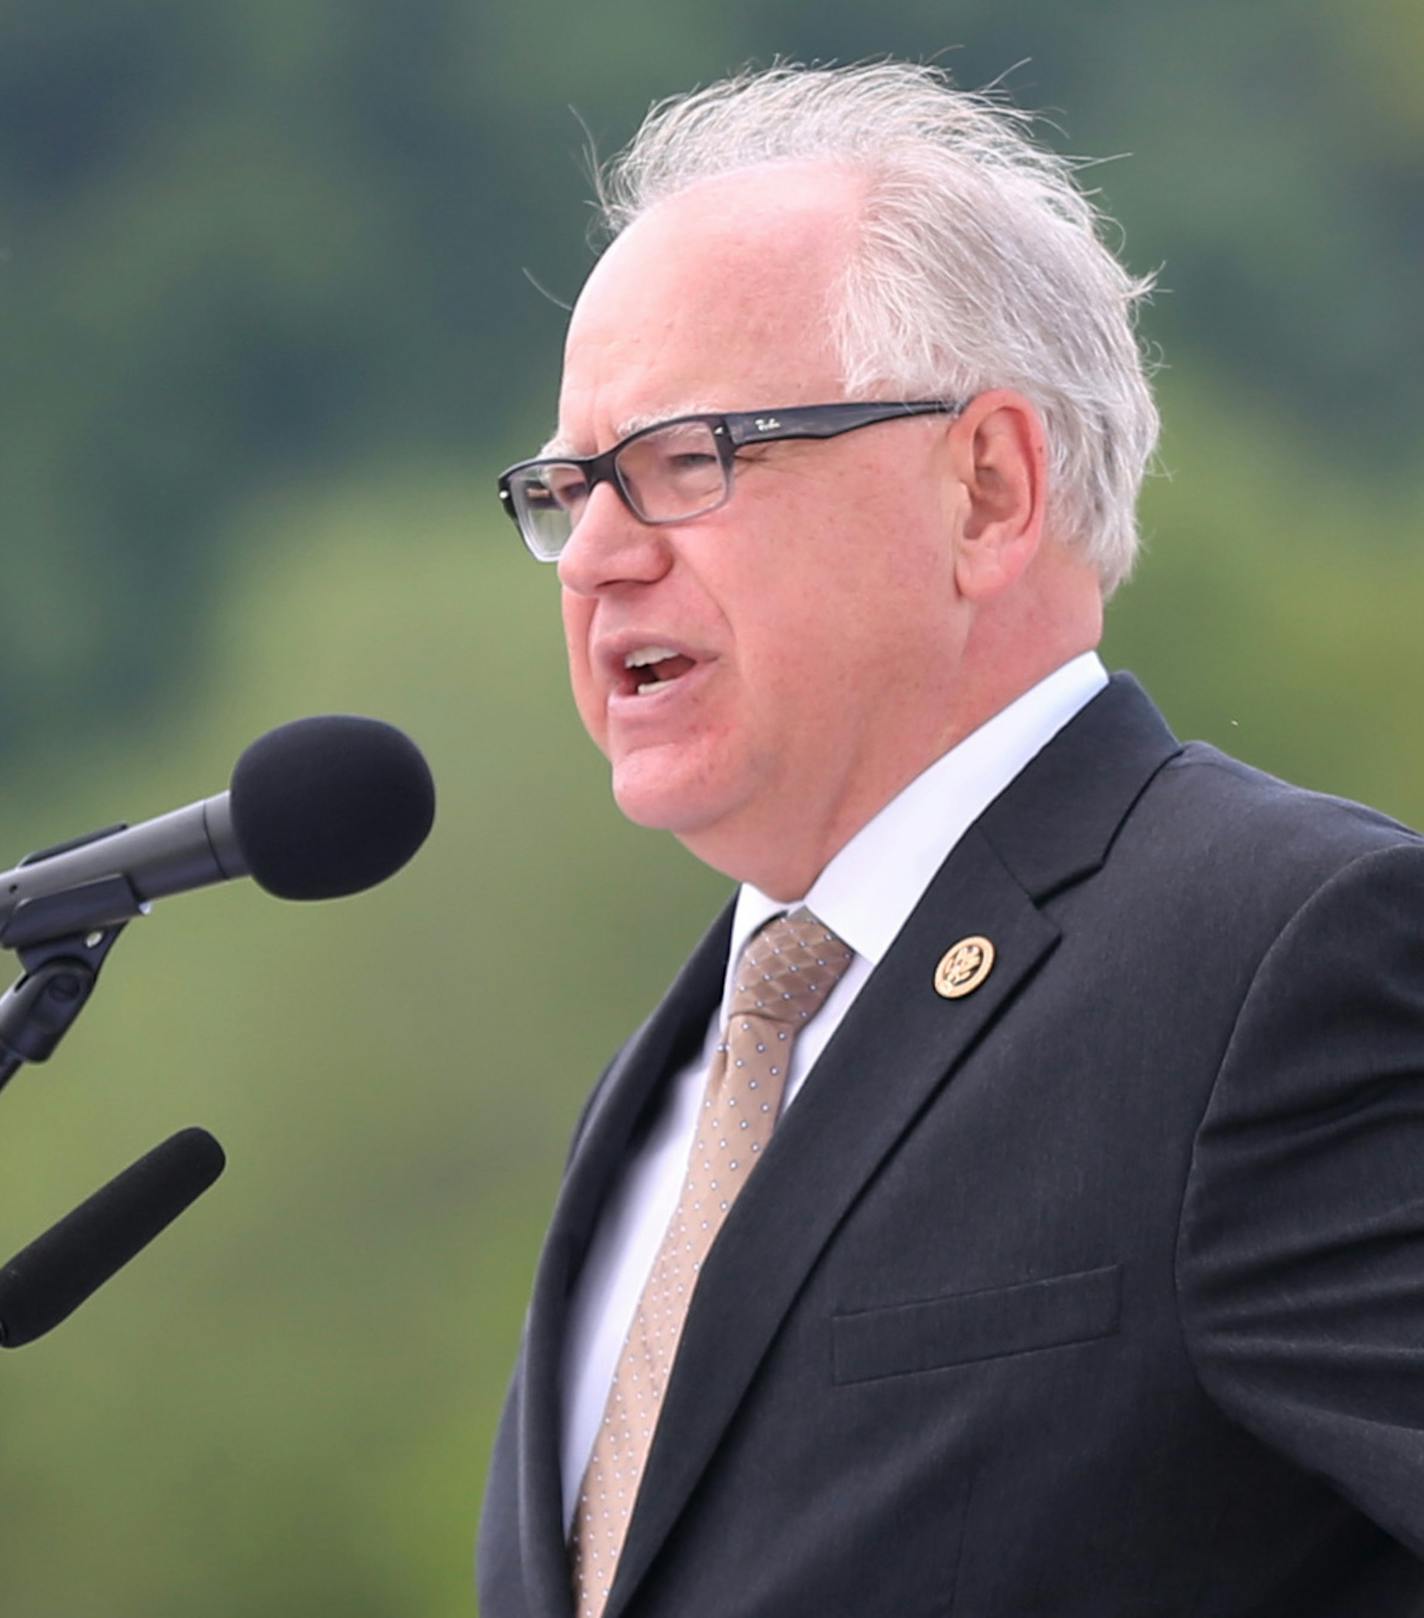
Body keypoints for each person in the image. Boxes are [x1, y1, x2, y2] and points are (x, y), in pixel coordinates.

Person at [477, 61, 1424, 1618]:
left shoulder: (1279, 958)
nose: (594, 555)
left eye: (683, 460)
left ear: (986, 487)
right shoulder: (674, 1081)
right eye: (570, 487)